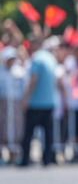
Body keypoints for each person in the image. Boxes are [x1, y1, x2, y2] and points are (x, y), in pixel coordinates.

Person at [19, 36, 58, 167]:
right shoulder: (51, 58)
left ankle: (25, 160)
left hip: (36, 103)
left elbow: (33, 80)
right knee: (48, 134)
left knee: (28, 133)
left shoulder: (36, 59)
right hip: (49, 102)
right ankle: (47, 159)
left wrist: (25, 98)